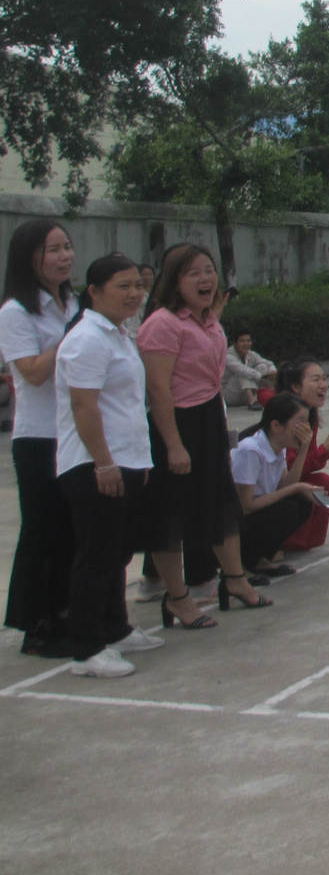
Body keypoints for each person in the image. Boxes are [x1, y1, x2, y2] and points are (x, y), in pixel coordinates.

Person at [139, 243, 268, 624]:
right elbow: (158, 390)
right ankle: (177, 597)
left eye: (208, 270)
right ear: (175, 282)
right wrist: (174, 444)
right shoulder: (162, 324)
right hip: (177, 422)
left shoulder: (211, 322)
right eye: (193, 272)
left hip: (210, 417)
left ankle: (234, 580)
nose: (205, 279)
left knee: (221, 503)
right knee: (172, 515)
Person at [54, 253, 168, 677]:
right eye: (123, 286)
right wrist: (103, 464)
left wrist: (138, 462)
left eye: (138, 285)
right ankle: (86, 647)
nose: (134, 294)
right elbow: (84, 407)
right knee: (96, 555)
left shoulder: (119, 334)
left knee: (118, 552)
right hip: (94, 464)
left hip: (128, 460)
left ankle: (115, 628)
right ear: (94, 292)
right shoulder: (86, 339)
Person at [0, 219, 78, 656]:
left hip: (72, 432)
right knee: (42, 530)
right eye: (54, 250)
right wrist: (72, 338)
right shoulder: (15, 312)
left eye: (67, 247)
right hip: (37, 436)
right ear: (30, 257)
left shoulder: (69, 303)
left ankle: (66, 610)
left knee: (70, 530)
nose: (65, 256)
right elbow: (30, 372)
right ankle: (37, 622)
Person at [231, 394, 325, 579]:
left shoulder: (278, 446)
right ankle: (243, 565)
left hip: (255, 514)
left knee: (302, 502)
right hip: (236, 521)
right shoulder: (250, 450)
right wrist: (295, 488)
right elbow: (246, 505)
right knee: (289, 507)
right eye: (300, 422)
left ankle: (259, 559)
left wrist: (303, 449)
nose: (305, 428)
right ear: (276, 425)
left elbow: (284, 486)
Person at [274, 358, 329, 555]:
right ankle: (282, 541)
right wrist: (327, 449)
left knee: (322, 481)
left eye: (324, 378)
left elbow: (305, 464)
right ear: (296, 387)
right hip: (272, 486)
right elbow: (289, 472)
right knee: (319, 484)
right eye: (315, 380)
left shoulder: (309, 414)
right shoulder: (289, 418)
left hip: (288, 480)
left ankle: (305, 541)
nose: (323, 385)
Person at [222, 330, 277, 407]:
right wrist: (264, 377)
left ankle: (263, 396)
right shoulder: (228, 356)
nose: (246, 344)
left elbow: (269, 363)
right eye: (242, 341)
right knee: (243, 372)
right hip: (229, 395)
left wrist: (273, 371)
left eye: (248, 341)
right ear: (235, 343)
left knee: (262, 366)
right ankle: (252, 401)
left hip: (244, 394)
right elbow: (242, 370)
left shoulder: (251, 354)